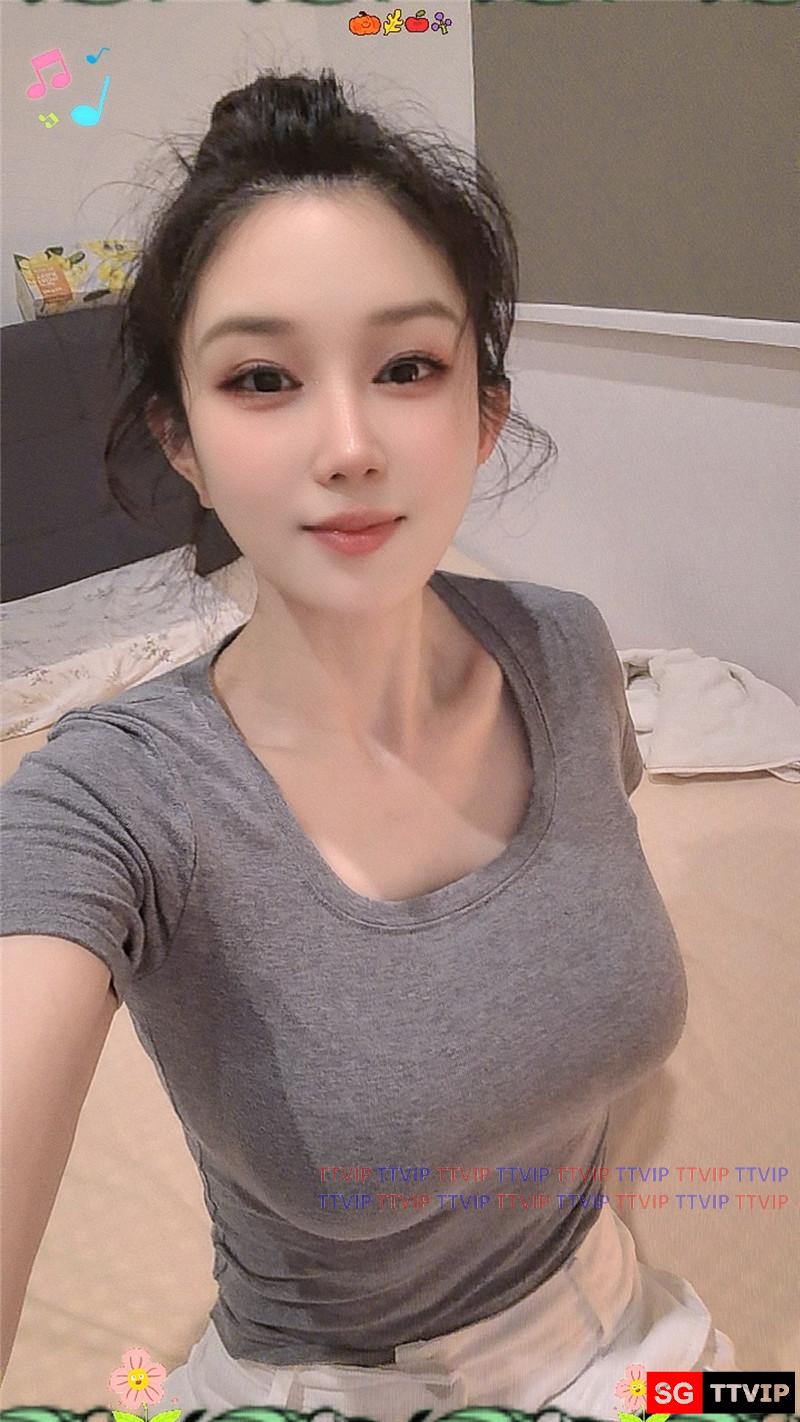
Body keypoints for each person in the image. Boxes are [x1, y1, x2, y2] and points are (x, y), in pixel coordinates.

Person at [1, 67, 735, 1418]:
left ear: (483, 413)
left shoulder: (566, 648)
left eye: (407, 367)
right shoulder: (105, 803)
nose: (348, 445)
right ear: (183, 442)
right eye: (262, 378)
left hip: (631, 1330)